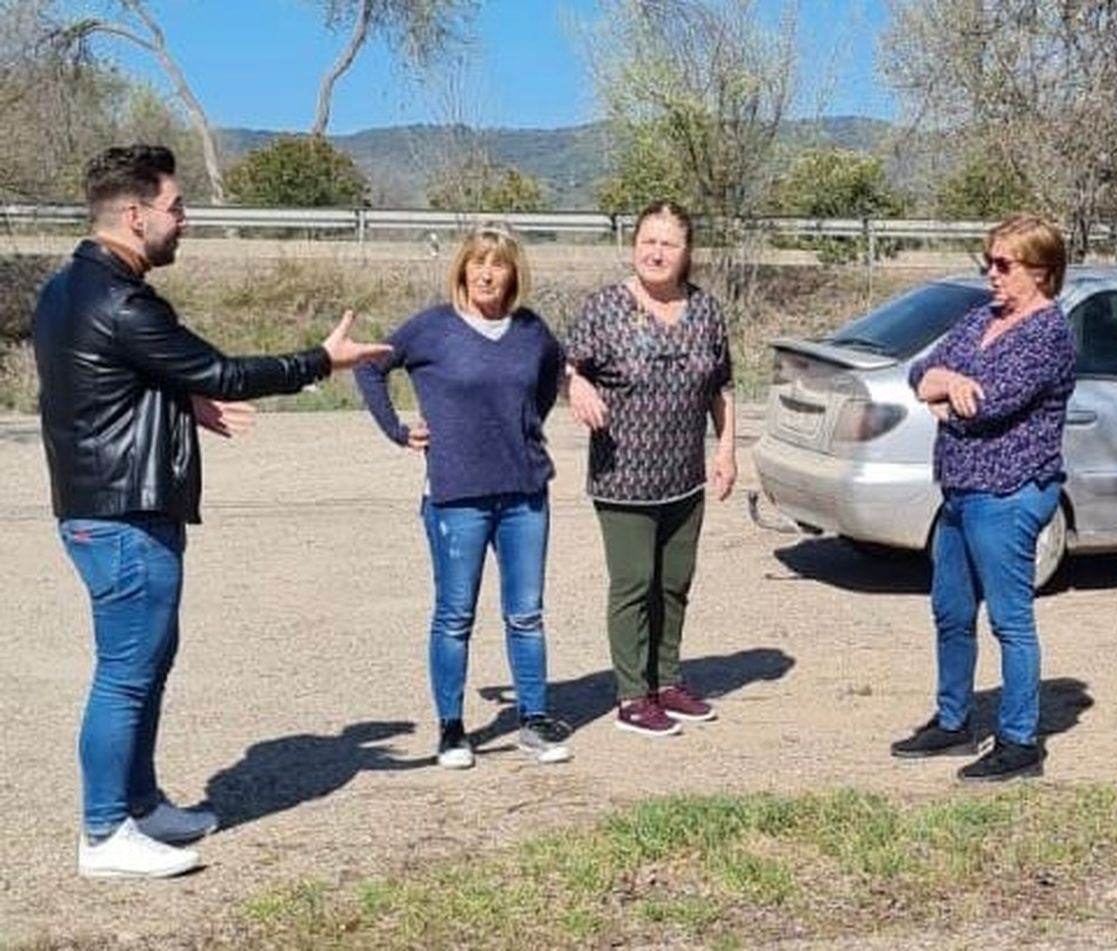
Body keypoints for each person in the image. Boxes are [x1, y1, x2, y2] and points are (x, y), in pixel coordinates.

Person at [33, 144, 390, 879]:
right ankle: (104, 833)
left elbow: (98, 384)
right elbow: (226, 370)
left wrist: (178, 402)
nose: (184, 221)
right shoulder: (123, 301)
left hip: (102, 504)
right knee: (126, 673)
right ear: (134, 216)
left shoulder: (65, 288)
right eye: (175, 208)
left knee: (146, 666)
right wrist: (323, 360)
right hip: (123, 514)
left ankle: (139, 804)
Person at [355, 226, 572, 770]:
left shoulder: (530, 331)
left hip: (524, 492)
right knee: (455, 615)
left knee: (526, 614)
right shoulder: (432, 329)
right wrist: (398, 430)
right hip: (456, 496)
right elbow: (369, 365)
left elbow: (550, 377)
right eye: (476, 262)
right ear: (461, 269)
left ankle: (533, 720)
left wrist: (523, 425)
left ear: (513, 273)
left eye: (497, 264)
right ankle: (452, 729)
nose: (486, 273)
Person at [889, 213, 1077, 783]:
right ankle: (953, 720)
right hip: (961, 489)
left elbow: (987, 406)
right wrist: (945, 384)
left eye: (1004, 264)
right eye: (988, 262)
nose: (991, 274)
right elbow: (920, 372)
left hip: (1011, 493)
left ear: (1041, 272)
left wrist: (951, 393)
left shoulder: (1048, 335)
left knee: (1010, 621)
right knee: (950, 611)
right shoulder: (981, 318)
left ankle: (1020, 742)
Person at [566, 201, 737, 737]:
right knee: (635, 582)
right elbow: (565, 365)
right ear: (633, 245)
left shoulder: (706, 311)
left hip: (684, 476)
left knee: (675, 583)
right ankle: (632, 695)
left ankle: (666, 680)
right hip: (624, 476)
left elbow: (721, 386)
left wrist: (727, 449)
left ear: (687, 253)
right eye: (648, 241)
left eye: (669, 244)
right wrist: (577, 383)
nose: (656, 252)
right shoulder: (606, 308)